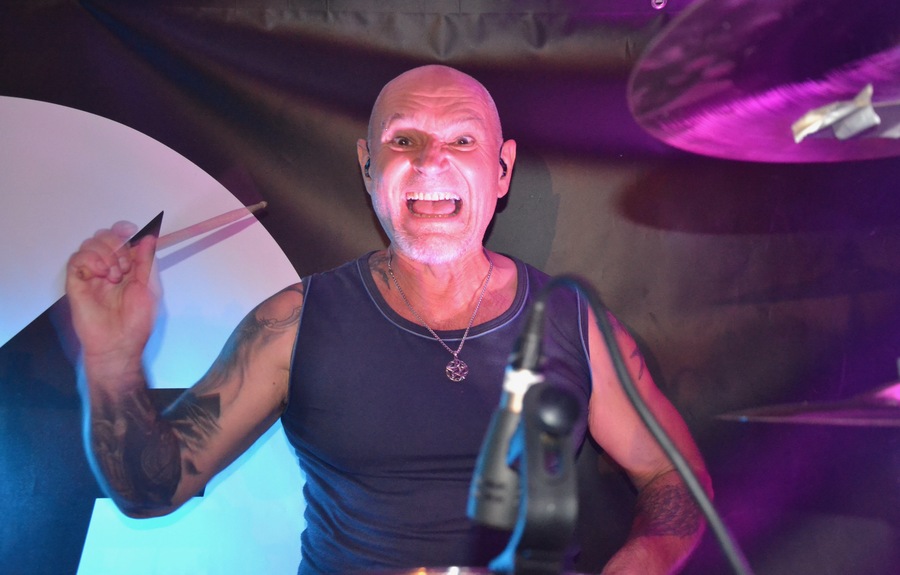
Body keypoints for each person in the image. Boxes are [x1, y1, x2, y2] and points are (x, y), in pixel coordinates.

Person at [66, 64, 711, 574]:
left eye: (462, 140)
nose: (430, 161)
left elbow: (673, 478)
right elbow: (149, 490)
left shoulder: (574, 322)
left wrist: (639, 564)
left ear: (502, 169)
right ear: (368, 166)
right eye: (404, 139)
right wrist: (111, 359)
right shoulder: (294, 324)